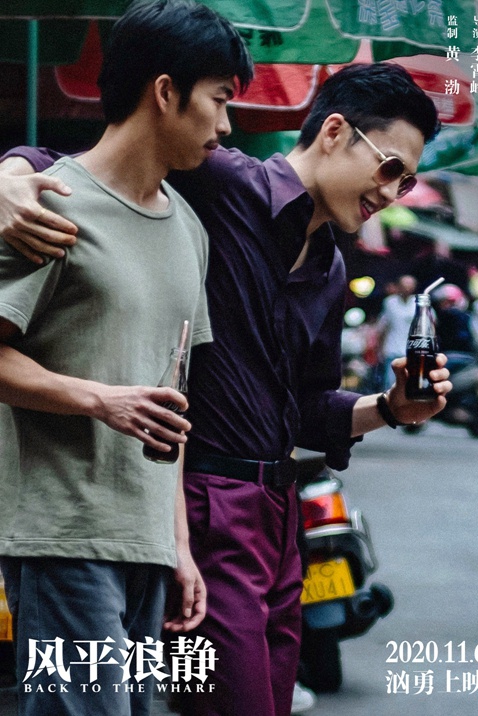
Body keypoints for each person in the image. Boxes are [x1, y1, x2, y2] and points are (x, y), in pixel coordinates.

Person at [0, 62, 452, 716]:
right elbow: (83, 163)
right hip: (195, 499)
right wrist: (10, 175)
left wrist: (389, 408)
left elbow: (303, 409)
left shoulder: (329, 267)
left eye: (407, 182)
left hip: (278, 514)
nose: (392, 193)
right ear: (334, 132)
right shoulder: (223, 183)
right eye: (389, 168)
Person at [0, 2, 252, 715]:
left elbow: (170, 403)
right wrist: (100, 400)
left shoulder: (190, 229)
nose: (227, 126)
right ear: (166, 92)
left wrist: (177, 544)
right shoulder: (47, 203)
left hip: (145, 546)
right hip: (62, 536)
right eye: (220, 100)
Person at [377, 274, 418, 389]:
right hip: (392, 350)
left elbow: (432, 323)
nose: (407, 288)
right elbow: (384, 326)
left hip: (413, 351)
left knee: (411, 384)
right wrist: (380, 349)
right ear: (398, 286)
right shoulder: (389, 303)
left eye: (410, 285)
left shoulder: (419, 302)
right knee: (390, 385)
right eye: (404, 285)